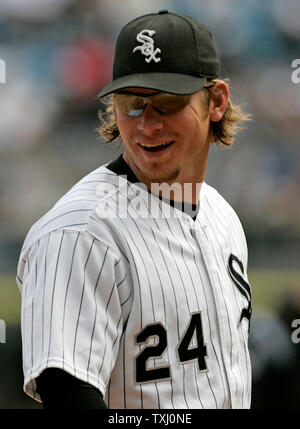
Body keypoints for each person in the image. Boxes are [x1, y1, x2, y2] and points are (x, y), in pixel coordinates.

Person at [16, 10, 252, 409]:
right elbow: (67, 396)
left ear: (216, 101)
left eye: (167, 102)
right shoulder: (80, 234)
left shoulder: (222, 215)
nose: (148, 124)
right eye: (132, 103)